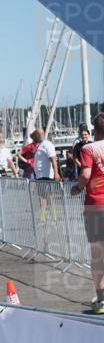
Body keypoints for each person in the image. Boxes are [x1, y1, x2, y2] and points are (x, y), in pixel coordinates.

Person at [71, 112, 104, 314]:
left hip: (96, 205)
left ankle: (101, 299)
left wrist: (78, 188)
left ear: (95, 129)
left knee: (98, 254)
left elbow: (85, 174)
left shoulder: (89, 148)